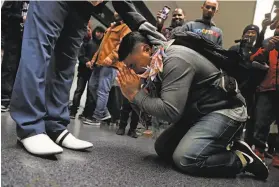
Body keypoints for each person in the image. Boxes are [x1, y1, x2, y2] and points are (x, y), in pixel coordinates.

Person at [112, 1, 268, 179]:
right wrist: (135, 95)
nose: (132, 71)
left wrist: (134, 95)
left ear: (146, 49)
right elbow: (141, 24)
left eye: (132, 65)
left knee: (186, 159)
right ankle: (220, 144)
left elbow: (171, 111)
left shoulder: (173, 59)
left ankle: (241, 158)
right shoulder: (157, 57)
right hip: (200, 110)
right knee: (163, 148)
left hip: (225, 109)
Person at [9, 1, 106, 156]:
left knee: (66, 65)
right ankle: (29, 125)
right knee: (38, 51)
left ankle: (55, 125)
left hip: (83, 7)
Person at [83, 12, 131, 126]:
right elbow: (102, 46)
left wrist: (111, 57)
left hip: (111, 64)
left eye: (119, 10)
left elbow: (122, 45)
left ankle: (98, 116)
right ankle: (104, 113)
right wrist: (93, 60)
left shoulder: (126, 27)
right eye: (115, 10)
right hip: (99, 63)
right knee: (92, 86)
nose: (116, 12)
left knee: (102, 91)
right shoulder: (112, 27)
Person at [249, 26, 279, 168]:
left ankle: (277, 155)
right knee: (261, 121)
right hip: (266, 89)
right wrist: (267, 48)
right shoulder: (268, 45)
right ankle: (259, 150)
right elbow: (253, 59)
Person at [69, 25, 105, 119]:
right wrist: (86, 62)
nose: (99, 34)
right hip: (83, 70)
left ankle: (86, 114)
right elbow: (80, 55)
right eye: (97, 31)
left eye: (101, 32)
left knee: (90, 94)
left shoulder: (103, 47)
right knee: (79, 91)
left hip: (94, 72)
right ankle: (73, 111)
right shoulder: (87, 42)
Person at [1, 1, 29, 112]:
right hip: (13, 37)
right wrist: (20, 19)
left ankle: (17, 100)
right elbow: (4, 15)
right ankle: (4, 99)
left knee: (23, 70)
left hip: (28, 40)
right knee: (9, 67)